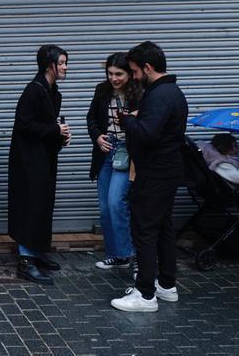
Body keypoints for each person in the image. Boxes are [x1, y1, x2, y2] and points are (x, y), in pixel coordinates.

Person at [111, 41, 187, 313]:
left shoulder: (159, 95)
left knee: (143, 230)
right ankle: (167, 286)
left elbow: (147, 133)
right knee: (163, 228)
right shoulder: (173, 92)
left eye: (134, 71)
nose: (133, 77)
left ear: (147, 67)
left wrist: (127, 120)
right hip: (167, 171)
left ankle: (145, 295)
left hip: (155, 173)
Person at [7, 45, 70, 285]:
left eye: (66, 62)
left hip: (44, 158)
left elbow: (48, 125)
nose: (65, 67)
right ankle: (25, 261)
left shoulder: (53, 92)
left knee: (43, 205)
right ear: (48, 64)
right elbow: (23, 125)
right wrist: (54, 130)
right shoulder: (33, 91)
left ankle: (36, 253)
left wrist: (61, 135)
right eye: (61, 62)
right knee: (30, 206)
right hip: (27, 162)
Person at [86, 52, 142, 270]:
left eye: (119, 74)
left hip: (126, 152)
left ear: (129, 73)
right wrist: (97, 136)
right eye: (110, 73)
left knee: (116, 203)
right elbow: (91, 117)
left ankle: (132, 256)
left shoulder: (138, 93)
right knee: (104, 208)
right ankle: (116, 255)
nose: (114, 78)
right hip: (105, 150)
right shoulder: (102, 90)